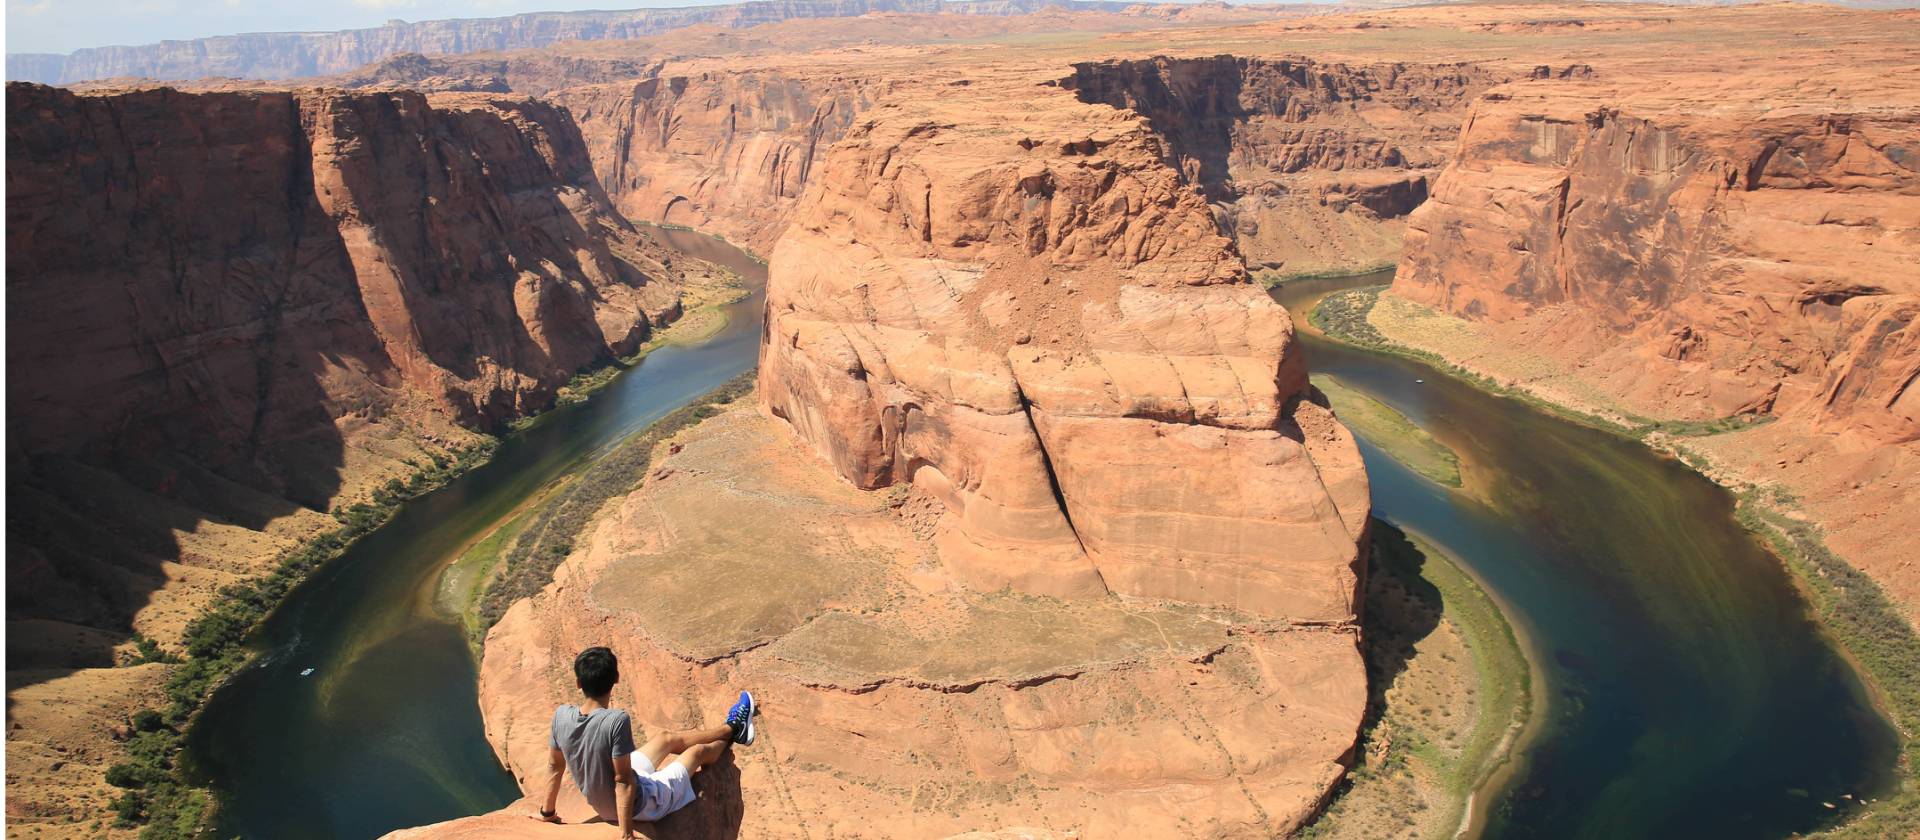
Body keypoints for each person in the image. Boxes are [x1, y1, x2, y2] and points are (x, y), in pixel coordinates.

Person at [533, 646, 756, 836]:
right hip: (642, 804)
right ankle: (736, 730)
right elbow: (623, 781)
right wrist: (626, 833)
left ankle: (730, 727)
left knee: (665, 739)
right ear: (616, 679)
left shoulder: (561, 715)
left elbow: (555, 766)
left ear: (578, 683)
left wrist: (547, 813)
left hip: (609, 796)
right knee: (696, 752)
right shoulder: (615, 720)